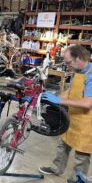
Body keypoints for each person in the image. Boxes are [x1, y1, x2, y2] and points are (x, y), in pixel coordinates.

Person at [39, 45, 92, 183]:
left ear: (79, 58)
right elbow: (70, 91)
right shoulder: (77, 71)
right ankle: (57, 168)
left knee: (82, 155)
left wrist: (60, 100)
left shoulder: (91, 75)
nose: (67, 66)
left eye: (68, 62)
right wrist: (54, 100)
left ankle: (76, 179)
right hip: (73, 115)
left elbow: (87, 103)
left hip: (87, 122)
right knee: (63, 144)